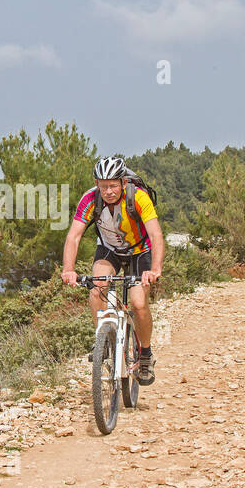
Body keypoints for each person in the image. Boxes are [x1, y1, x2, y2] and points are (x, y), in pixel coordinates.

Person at [60, 155, 164, 384]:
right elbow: (74, 236)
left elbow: (156, 235)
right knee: (97, 289)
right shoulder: (89, 199)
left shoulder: (138, 197)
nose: (108, 191)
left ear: (124, 183)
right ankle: (103, 341)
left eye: (113, 186)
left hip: (140, 251)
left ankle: (145, 354)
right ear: (97, 184)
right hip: (109, 250)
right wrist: (69, 269)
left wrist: (154, 269)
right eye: (103, 185)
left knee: (137, 303)